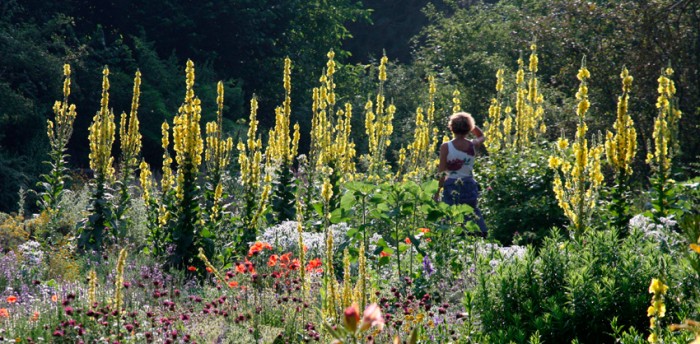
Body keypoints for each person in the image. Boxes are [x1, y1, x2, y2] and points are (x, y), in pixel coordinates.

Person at [436, 112, 488, 237]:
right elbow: (482, 135)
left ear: (451, 128)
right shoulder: (473, 144)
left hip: (451, 184)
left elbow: (441, 172)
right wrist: (471, 125)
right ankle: (479, 234)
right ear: (468, 129)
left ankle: (452, 239)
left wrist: (437, 192)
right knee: (471, 211)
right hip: (469, 184)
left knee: (450, 214)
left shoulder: (446, 146)